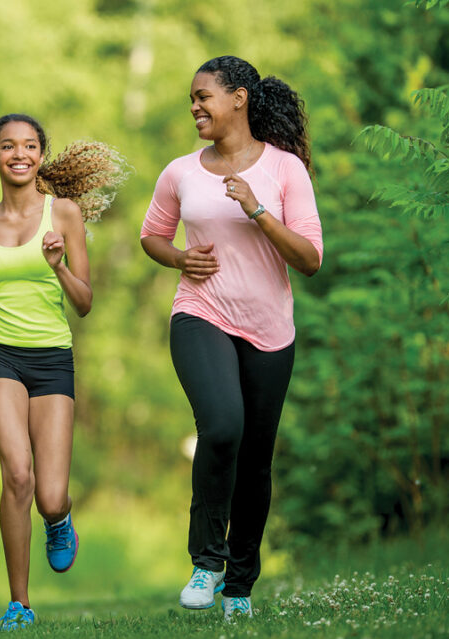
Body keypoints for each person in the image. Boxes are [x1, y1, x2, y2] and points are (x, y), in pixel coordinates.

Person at [139, 56, 323, 622]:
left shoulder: (285, 169)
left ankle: (239, 587)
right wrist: (180, 258)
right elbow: (152, 236)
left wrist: (257, 210)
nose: (195, 107)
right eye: (191, 100)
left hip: (270, 330)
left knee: (256, 460)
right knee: (221, 427)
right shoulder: (180, 172)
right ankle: (206, 561)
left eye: (204, 97)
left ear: (239, 97)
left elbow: (310, 259)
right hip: (201, 313)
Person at [0, 114, 129, 630]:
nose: (19, 154)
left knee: (49, 495)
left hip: (53, 357)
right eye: (8, 146)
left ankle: (59, 520)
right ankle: (20, 603)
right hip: (0, 356)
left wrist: (58, 266)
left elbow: (84, 303)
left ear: (41, 155)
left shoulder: (65, 215)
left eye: (30, 146)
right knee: (17, 474)